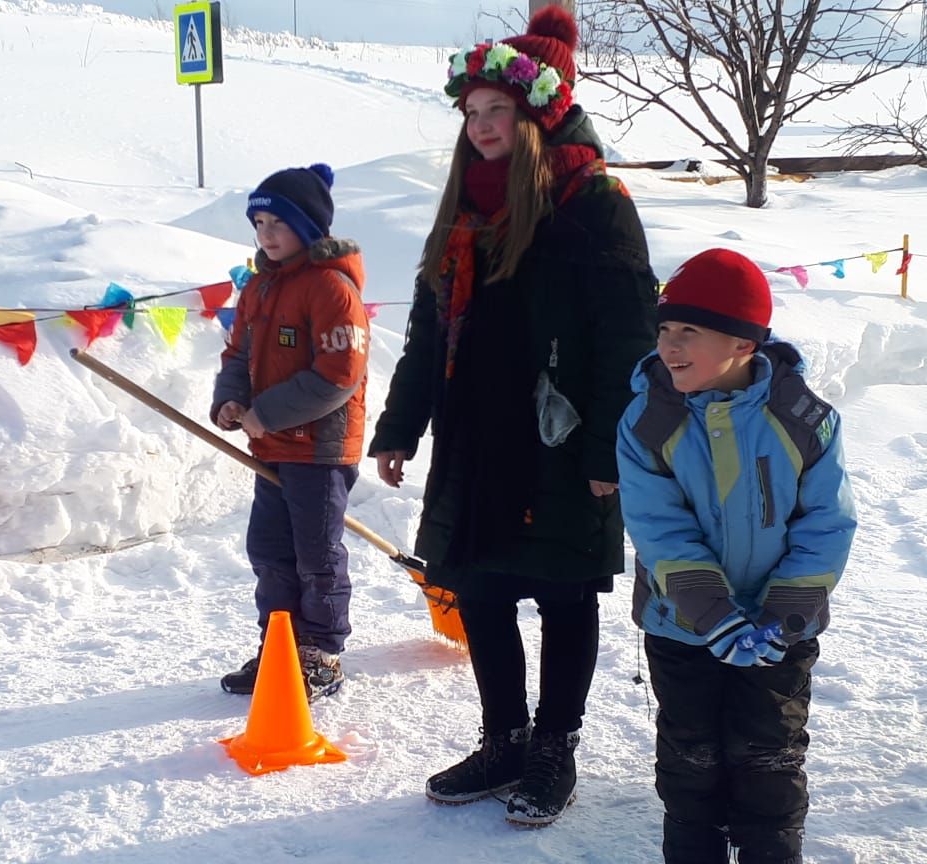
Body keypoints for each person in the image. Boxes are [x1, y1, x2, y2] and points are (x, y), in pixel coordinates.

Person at [368, 6, 658, 827]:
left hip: (561, 441)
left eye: (499, 112)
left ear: (535, 114)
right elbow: (432, 325)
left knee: (564, 594)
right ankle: (503, 739)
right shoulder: (464, 205)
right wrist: (401, 424)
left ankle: (553, 748)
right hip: (476, 434)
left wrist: (610, 447)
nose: (484, 127)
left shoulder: (594, 201)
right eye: (473, 115)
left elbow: (627, 335)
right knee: (482, 588)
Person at [615, 248, 858, 863]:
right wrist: (711, 612)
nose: (669, 346)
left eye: (689, 332)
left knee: (768, 757)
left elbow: (826, 521)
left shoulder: (804, 420)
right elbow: (658, 526)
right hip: (682, 625)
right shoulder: (647, 420)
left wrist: (788, 610)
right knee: (690, 756)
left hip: (782, 631)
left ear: (743, 344)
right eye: (665, 329)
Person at [212, 163, 369, 703]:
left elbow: (339, 374)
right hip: (273, 444)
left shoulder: (331, 287)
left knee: (315, 554)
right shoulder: (259, 286)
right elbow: (238, 353)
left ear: (307, 226)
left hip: (319, 449)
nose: (265, 234)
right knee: (269, 550)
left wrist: (267, 413)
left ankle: (321, 653)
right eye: (258, 223)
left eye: (276, 223)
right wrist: (231, 400)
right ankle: (278, 649)